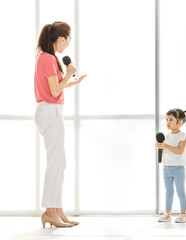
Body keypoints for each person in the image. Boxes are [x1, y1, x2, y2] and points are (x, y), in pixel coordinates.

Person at [34, 22, 87, 228]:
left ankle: (57, 209)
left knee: (60, 163)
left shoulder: (45, 57)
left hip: (49, 111)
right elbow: (55, 91)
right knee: (55, 164)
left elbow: (53, 88)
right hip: (50, 112)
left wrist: (72, 81)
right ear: (61, 38)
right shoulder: (47, 58)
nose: (68, 44)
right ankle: (49, 212)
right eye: (68, 39)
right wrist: (68, 74)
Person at [156, 109, 186, 223]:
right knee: (169, 192)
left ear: (180, 122)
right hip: (167, 168)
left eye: (171, 119)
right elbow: (165, 152)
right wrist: (160, 147)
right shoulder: (166, 136)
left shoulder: (183, 136)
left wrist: (165, 145)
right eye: (166, 119)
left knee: (180, 191)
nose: (168, 122)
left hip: (178, 168)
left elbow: (179, 150)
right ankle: (167, 214)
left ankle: (183, 214)